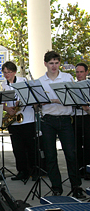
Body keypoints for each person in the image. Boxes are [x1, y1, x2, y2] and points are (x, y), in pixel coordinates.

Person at [38, 51, 85, 198]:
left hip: (65, 119)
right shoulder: (40, 81)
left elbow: (73, 98)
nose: (54, 66)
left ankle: (76, 186)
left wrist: (54, 100)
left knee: (71, 154)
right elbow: (37, 104)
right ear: (45, 64)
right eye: (51, 63)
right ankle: (56, 187)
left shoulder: (67, 77)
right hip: (48, 120)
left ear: (59, 63)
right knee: (51, 156)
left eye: (56, 63)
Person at [1, 61, 36, 181]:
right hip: (13, 120)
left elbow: (31, 97)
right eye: (5, 72)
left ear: (14, 72)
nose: (7, 75)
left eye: (9, 72)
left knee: (30, 147)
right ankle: (22, 171)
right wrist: (7, 109)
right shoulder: (3, 85)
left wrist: (21, 103)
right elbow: (0, 102)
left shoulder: (23, 82)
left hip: (27, 119)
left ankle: (34, 171)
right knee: (17, 148)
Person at [74, 63, 90, 180]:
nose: (79, 75)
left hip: (87, 116)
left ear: (86, 72)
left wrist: (87, 108)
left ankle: (88, 169)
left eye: (81, 72)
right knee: (77, 144)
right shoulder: (72, 86)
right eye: (77, 72)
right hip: (76, 117)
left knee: (88, 144)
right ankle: (79, 168)